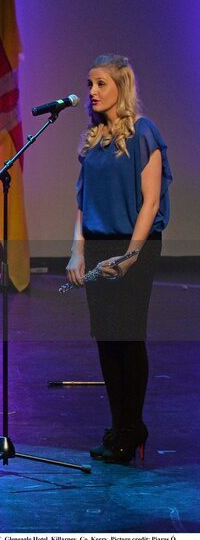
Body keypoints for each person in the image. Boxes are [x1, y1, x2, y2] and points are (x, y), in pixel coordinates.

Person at [65, 54, 170, 464]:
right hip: (98, 245)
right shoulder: (92, 139)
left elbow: (150, 201)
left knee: (127, 337)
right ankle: (120, 423)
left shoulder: (144, 133)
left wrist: (131, 255)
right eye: (89, 84)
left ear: (120, 87)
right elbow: (82, 201)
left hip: (135, 246)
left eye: (100, 84)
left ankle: (132, 426)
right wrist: (77, 248)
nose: (91, 92)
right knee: (106, 339)